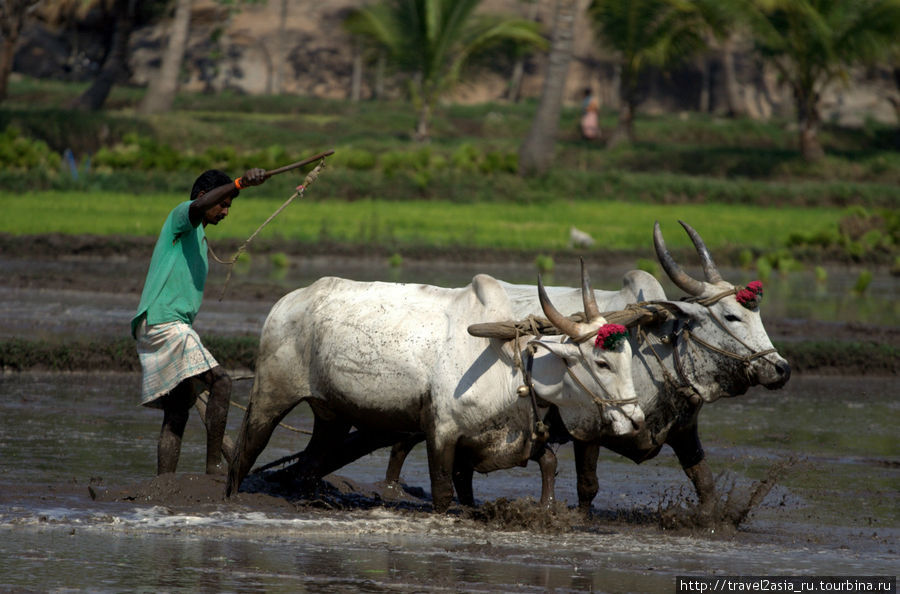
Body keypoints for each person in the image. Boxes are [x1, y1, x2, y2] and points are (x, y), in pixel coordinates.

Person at [131, 167, 267, 476]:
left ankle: (164, 484)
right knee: (221, 382)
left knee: (177, 413)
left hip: (165, 325)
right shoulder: (182, 219)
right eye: (223, 203)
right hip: (165, 324)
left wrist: (238, 187)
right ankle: (214, 467)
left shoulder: (200, 235)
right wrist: (238, 183)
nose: (226, 211)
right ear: (204, 198)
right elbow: (195, 208)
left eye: (230, 205)